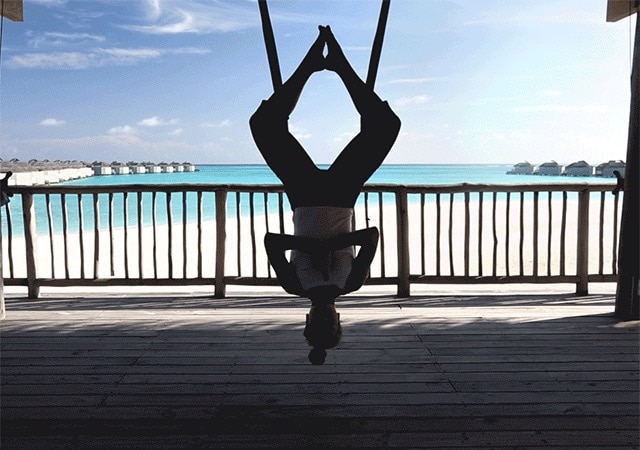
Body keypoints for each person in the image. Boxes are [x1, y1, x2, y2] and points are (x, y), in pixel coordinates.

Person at [250, 25, 401, 364]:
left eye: (316, 322)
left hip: (303, 197)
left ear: (306, 320)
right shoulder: (352, 283)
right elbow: (371, 236)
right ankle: (339, 64)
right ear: (338, 321)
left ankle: (312, 65)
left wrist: (317, 246)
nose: (321, 317)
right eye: (328, 322)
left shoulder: (294, 285)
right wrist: (324, 246)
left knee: (264, 125)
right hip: (340, 195)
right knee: (385, 126)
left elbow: (272, 242)